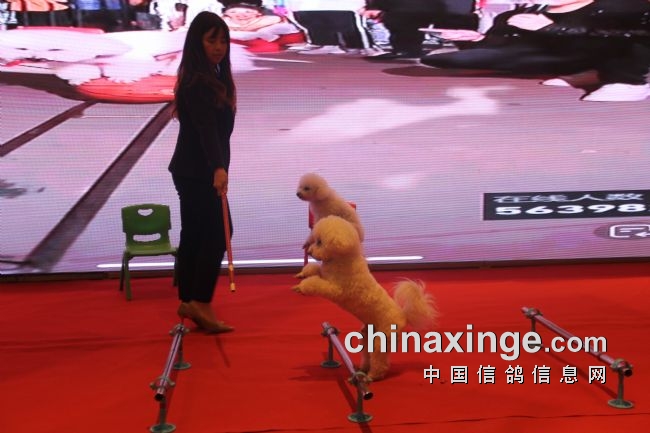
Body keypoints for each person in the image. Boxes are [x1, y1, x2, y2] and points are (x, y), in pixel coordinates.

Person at [419, 0, 650, 102]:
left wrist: (552, 28)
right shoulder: (521, 14)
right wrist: (476, 40)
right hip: (572, 56)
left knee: (629, 41)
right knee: (455, 59)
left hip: (625, 56)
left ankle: (630, 81)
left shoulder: (624, 6)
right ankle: (595, 72)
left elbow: (635, 34)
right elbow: (511, 46)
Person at [168, 11, 236, 333]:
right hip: (200, 171)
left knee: (195, 233)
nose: (219, 47)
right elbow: (207, 130)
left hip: (192, 169)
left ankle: (189, 299)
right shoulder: (198, 83)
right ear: (197, 42)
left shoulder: (211, 77)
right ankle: (200, 301)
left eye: (223, 40)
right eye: (212, 40)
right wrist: (218, 168)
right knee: (220, 232)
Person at [361, 0, 478, 60]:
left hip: (406, 9)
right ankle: (407, 49)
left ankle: (406, 50)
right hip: (432, 7)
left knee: (403, 25)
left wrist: (374, 6)